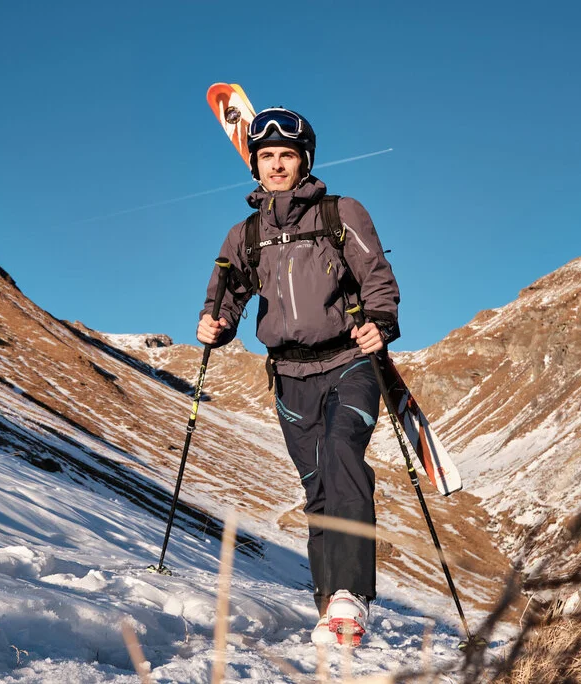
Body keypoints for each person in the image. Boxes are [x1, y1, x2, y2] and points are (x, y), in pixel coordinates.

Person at [197, 107, 401, 647]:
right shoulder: (245, 234)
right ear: (255, 165)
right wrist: (215, 324)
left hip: (349, 362)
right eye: (266, 156)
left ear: (304, 160)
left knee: (341, 453)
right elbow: (226, 295)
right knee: (316, 487)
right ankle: (329, 603)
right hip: (289, 376)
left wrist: (381, 322)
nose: (277, 165)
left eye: (287, 155)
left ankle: (352, 595)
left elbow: (377, 277)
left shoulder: (342, 213)